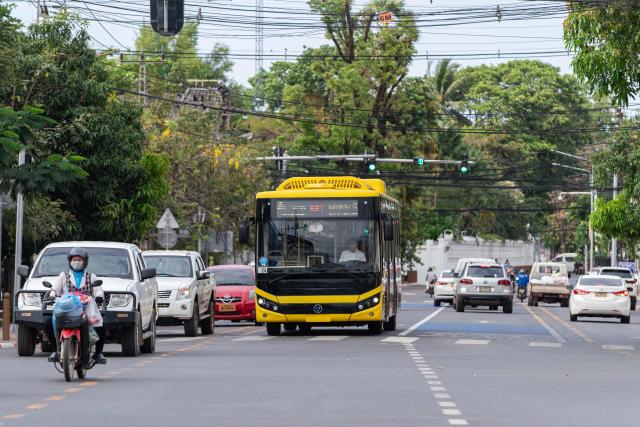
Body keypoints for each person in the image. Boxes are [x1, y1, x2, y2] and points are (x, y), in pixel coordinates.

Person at [44, 248, 107, 365]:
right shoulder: (64, 275)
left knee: (101, 325)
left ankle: (98, 353)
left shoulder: (91, 276)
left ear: (85, 262)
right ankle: (55, 351)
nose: (76, 262)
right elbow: (55, 288)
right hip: (66, 308)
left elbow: (98, 290)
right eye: (74, 259)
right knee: (48, 323)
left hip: (85, 308)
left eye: (79, 260)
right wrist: (52, 295)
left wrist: (99, 296)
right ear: (69, 261)